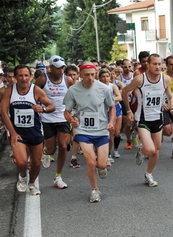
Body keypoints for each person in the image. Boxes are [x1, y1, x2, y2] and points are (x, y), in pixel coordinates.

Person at [63, 62, 116, 203]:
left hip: (101, 130)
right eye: (87, 75)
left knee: (102, 164)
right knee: (91, 161)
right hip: (83, 130)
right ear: (80, 75)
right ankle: (95, 190)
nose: (90, 78)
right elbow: (66, 112)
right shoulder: (73, 90)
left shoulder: (104, 89)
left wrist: (111, 122)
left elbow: (112, 107)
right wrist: (71, 120)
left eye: (93, 75)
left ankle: (102, 167)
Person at [122, 53, 173, 187]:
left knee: (156, 150)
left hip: (158, 118)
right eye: (155, 64)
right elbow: (125, 91)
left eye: (159, 64)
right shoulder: (140, 79)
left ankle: (149, 174)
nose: (158, 67)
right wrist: (129, 111)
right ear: (148, 65)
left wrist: (171, 108)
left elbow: (170, 97)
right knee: (151, 150)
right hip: (143, 119)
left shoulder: (166, 79)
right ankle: (141, 150)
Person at [1, 65, 56, 195]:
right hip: (18, 133)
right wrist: (13, 133)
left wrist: (42, 109)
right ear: (15, 77)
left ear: (30, 77)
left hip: (35, 132)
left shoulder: (36, 90)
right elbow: (3, 112)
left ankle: (31, 183)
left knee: (36, 163)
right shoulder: (10, 90)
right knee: (22, 162)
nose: (24, 78)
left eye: (26, 75)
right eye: (20, 75)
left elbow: (51, 106)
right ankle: (22, 176)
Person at [35, 55, 74, 189]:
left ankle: (58, 176)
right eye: (58, 68)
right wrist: (36, 107)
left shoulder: (68, 80)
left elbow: (76, 95)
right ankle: (46, 153)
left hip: (63, 117)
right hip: (47, 118)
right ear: (50, 68)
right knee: (51, 150)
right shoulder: (43, 79)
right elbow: (33, 92)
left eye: (63, 67)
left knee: (63, 146)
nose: (61, 70)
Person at [98, 68, 122, 166]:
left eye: (107, 76)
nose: (105, 78)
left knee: (115, 133)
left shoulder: (112, 86)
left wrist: (109, 100)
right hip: (103, 111)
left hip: (115, 109)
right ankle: (105, 154)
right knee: (107, 135)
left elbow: (119, 97)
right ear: (99, 78)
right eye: (103, 76)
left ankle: (112, 151)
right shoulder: (97, 87)